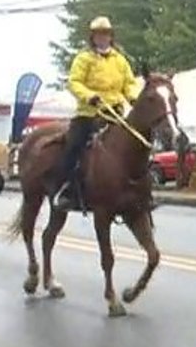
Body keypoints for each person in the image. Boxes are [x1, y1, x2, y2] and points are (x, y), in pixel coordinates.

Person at [54, 16, 141, 210]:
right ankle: (67, 189)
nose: (102, 38)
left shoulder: (120, 60)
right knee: (74, 146)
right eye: (98, 34)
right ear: (92, 37)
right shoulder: (84, 58)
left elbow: (129, 83)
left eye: (106, 34)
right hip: (89, 113)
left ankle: (139, 190)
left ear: (111, 36)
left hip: (115, 113)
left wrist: (133, 98)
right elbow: (73, 82)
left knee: (136, 143)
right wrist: (89, 96)